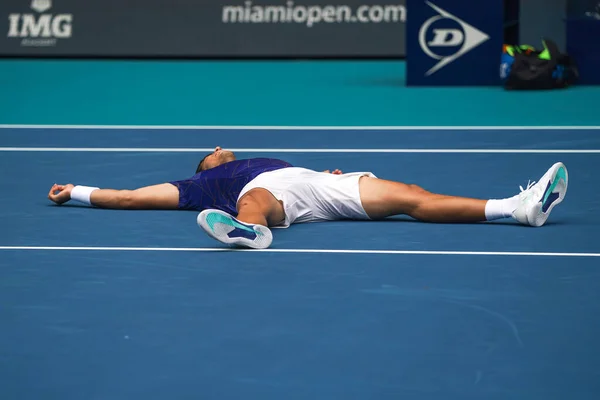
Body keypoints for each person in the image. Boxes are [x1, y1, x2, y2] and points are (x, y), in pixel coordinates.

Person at [48, 146, 568, 249]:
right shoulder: (196, 186)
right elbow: (131, 198)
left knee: (411, 195)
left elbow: (301, 178)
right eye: (209, 153)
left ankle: (516, 209)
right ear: (205, 169)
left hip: (318, 183)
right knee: (257, 199)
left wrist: (326, 173)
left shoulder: (269, 157)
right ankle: (251, 232)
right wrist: (77, 193)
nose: (217, 148)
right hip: (267, 197)